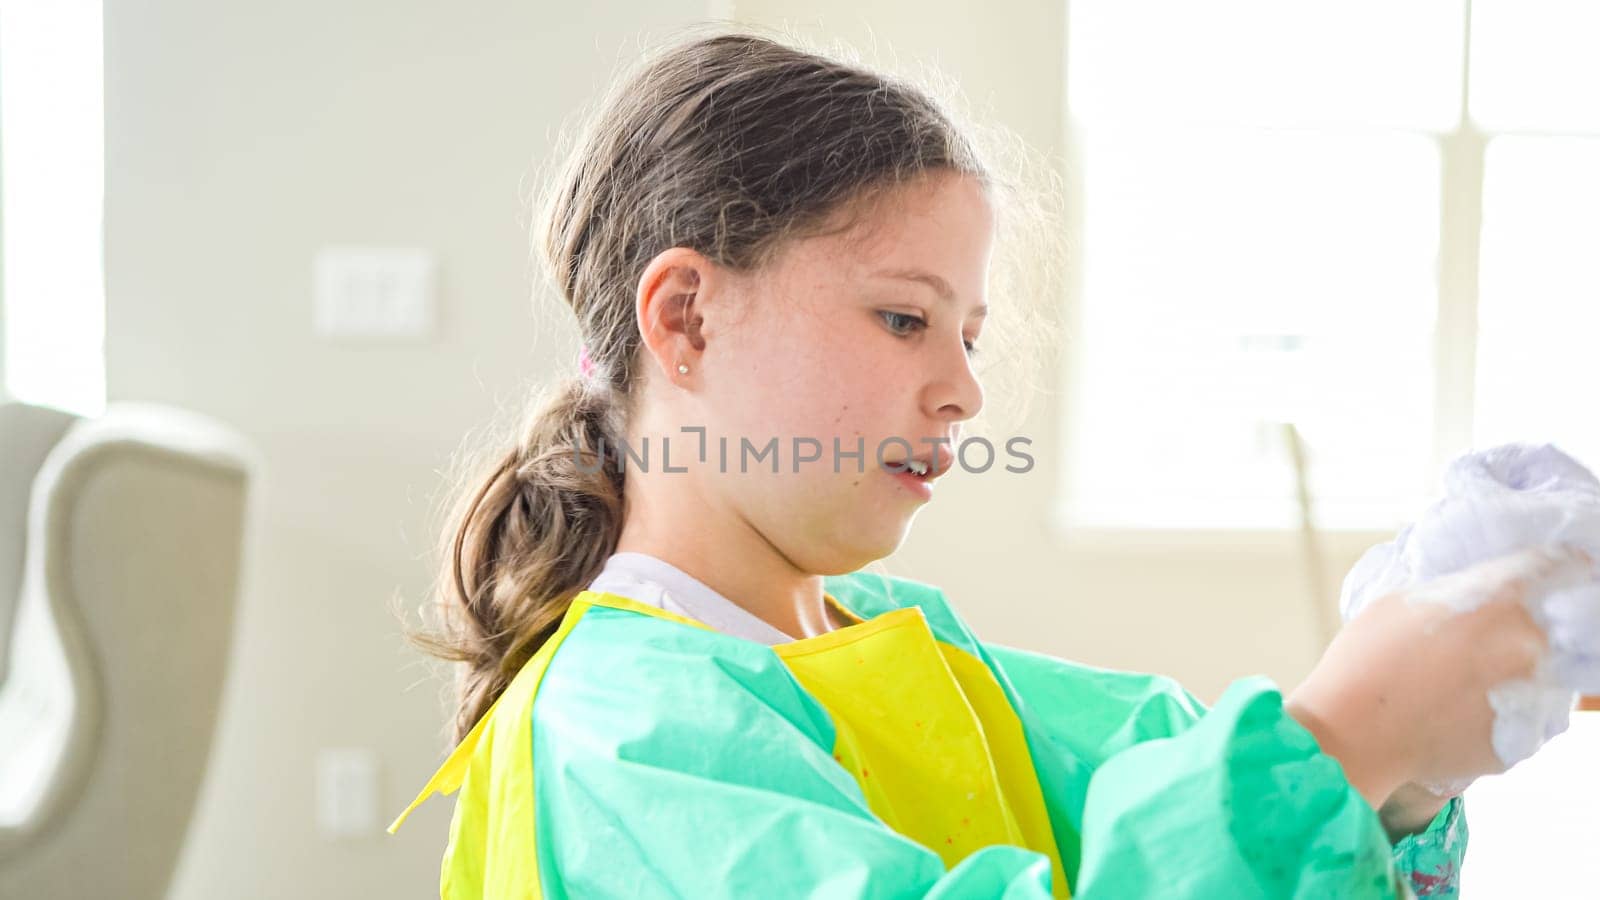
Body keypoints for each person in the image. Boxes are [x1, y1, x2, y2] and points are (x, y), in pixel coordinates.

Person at [388, 28, 1600, 899]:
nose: (964, 388)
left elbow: (1172, 772)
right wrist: (1348, 735)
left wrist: (1394, 782)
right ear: (688, 320)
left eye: (969, 335)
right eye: (905, 320)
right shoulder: (620, 735)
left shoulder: (914, 653)